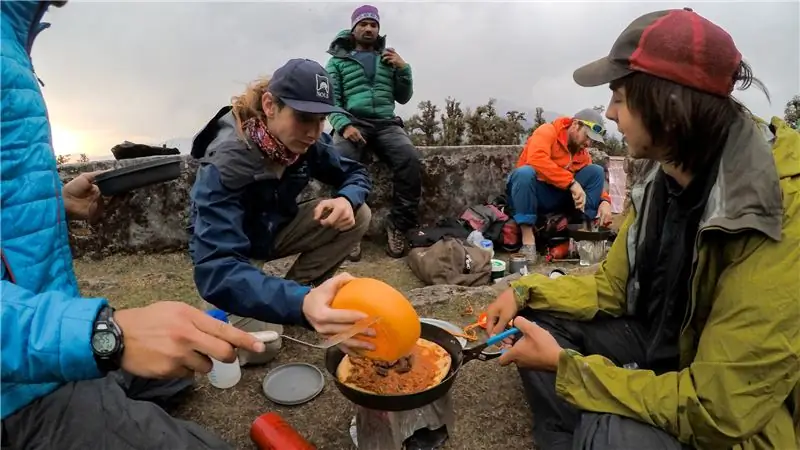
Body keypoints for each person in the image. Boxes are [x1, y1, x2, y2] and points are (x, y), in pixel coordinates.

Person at [487, 7, 800, 450]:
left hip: (733, 417)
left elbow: (721, 409)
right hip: (656, 346)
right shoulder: (663, 176)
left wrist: (575, 372)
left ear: (668, 103)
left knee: (611, 432)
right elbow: (612, 289)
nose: (610, 113)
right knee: (530, 325)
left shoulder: (777, 205)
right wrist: (525, 292)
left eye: (619, 96)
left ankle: (595, 431)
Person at [0, 2, 272, 449]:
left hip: (44, 324)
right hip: (19, 388)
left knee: (178, 374)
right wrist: (105, 335)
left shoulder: (12, 31)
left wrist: (55, 201)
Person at [187, 58, 375, 365]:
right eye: (304, 117)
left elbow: (355, 174)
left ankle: (300, 293)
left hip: (276, 230)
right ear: (270, 105)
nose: (315, 132)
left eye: (322, 119)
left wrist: (346, 199)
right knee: (265, 348)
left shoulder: (305, 142)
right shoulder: (226, 162)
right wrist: (298, 304)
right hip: (234, 257)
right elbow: (215, 269)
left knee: (360, 213)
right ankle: (246, 309)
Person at [325, 4, 420, 259]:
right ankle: (349, 229)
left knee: (409, 159)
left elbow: (404, 97)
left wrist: (404, 69)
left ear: (378, 29)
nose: (368, 28)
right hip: (353, 121)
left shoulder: (388, 58)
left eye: (373, 25)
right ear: (353, 28)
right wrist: (344, 125)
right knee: (339, 160)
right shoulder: (337, 61)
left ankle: (398, 226)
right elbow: (331, 101)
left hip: (386, 124)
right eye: (363, 24)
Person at [507, 108, 613, 260]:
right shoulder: (547, 131)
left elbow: (593, 181)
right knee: (524, 173)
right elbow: (536, 159)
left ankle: (583, 232)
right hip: (533, 195)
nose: (588, 143)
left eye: (592, 140)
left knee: (596, 171)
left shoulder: (581, 153)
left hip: (557, 197)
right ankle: (528, 241)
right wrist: (571, 183)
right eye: (587, 136)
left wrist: (604, 201)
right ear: (576, 125)